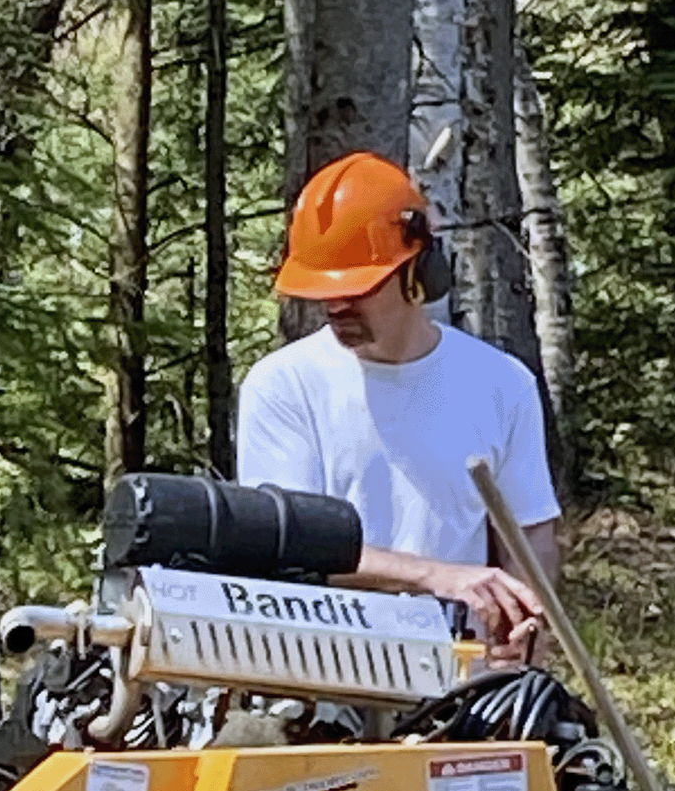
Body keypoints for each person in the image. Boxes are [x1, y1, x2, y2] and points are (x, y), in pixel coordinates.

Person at [236, 150, 558, 659]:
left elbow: (530, 539)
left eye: (357, 288)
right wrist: (435, 576)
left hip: (461, 685)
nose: (336, 305)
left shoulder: (502, 385)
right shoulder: (282, 387)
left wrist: (524, 641)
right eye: (322, 291)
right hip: (316, 683)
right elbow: (287, 549)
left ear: (419, 271)